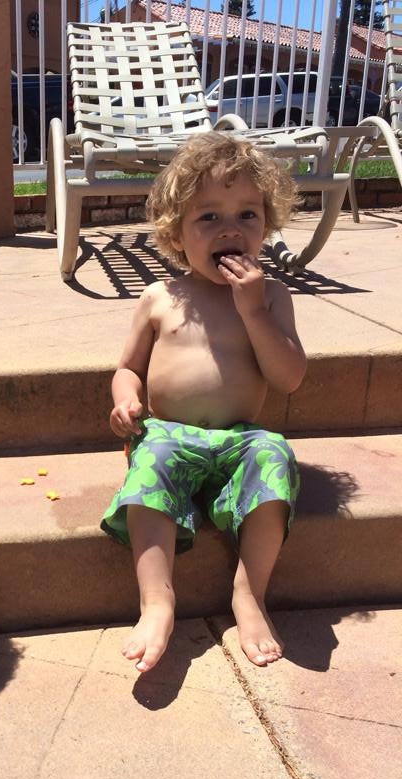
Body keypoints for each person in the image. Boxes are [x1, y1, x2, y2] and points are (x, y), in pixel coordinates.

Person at [101, 132, 307, 673]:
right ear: (175, 234)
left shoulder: (272, 297)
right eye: (208, 218)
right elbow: (128, 367)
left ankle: (249, 593)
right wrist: (127, 400)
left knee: (276, 456)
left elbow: (288, 379)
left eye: (247, 214)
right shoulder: (161, 296)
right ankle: (157, 600)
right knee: (150, 462)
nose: (231, 229)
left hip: (240, 435)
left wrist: (254, 311)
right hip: (168, 432)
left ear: (268, 224)